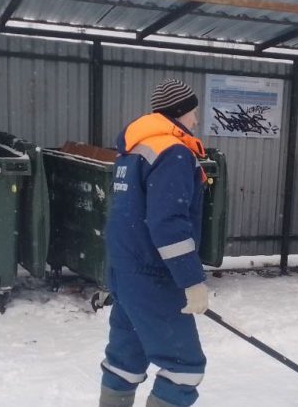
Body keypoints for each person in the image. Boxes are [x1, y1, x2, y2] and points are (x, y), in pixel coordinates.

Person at [99, 79, 210, 407]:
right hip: (153, 276)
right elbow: (168, 224)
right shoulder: (173, 151)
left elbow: (126, 216)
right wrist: (191, 280)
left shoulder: (133, 150)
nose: (196, 120)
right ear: (180, 112)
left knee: (125, 362)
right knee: (184, 368)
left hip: (127, 271)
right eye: (193, 112)